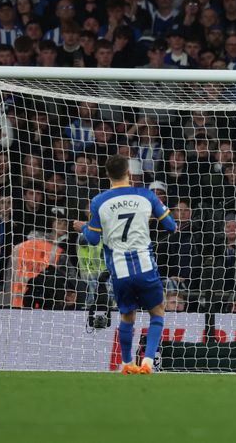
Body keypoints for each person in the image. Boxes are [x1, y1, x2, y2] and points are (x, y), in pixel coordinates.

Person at [74, 155, 177, 374]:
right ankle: (147, 361)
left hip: (119, 271)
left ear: (107, 175)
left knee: (127, 316)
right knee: (157, 311)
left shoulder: (99, 201)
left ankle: (128, 363)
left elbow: (92, 239)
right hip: (145, 267)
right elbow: (171, 226)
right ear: (129, 173)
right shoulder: (146, 195)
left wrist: (83, 227)